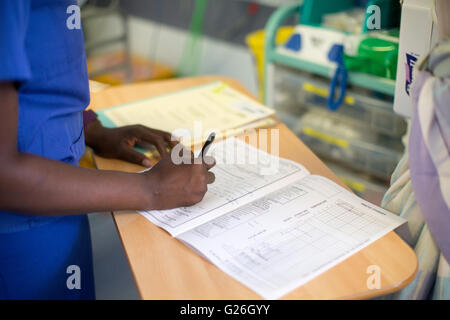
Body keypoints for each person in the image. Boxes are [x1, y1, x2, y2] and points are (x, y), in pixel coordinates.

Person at [0, 0, 215, 299]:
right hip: (20, 234)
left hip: (56, 207)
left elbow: (42, 77)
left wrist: (89, 127)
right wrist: (152, 188)